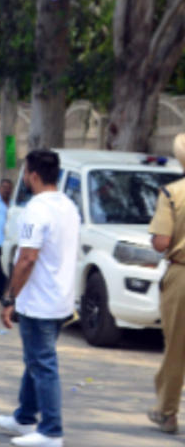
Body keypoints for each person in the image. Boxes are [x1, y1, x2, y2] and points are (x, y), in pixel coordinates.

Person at [0, 150, 78, 447]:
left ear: (32, 174)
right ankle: (25, 415)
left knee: (42, 364)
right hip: (59, 298)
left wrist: (9, 297)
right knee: (35, 359)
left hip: (40, 300)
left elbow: (27, 258)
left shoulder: (37, 208)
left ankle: (52, 431)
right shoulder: (68, 206)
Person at [147, 132, 185, 434]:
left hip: (181, 276)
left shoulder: (172, 193)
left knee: (177, 348)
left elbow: (161, 242)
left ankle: (168, 412)